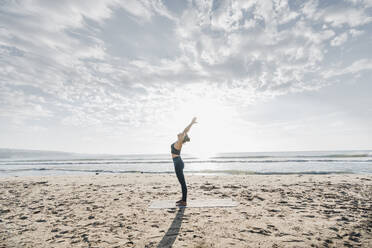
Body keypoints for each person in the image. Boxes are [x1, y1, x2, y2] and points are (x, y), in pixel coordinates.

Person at [171, 117, 197, 207]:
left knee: (182, 183)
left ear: (183, 137)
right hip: (177, 162)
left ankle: (184, 201)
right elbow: (185, 131)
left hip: (178, 163)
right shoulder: (178, 141)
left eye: (182, 134)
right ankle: (183, 199)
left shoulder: (179, 142)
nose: (180, 133)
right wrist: (191, 123)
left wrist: (191, 123)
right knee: (181, 182)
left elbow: (185, 130)